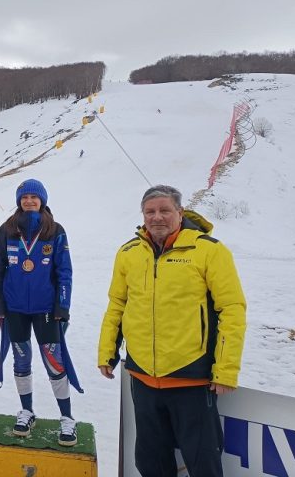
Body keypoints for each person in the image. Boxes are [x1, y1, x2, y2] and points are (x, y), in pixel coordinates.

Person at [98, 185, 246, 477]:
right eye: (150, 211)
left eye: (165, 210)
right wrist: (107, 352)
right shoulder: (128, 252)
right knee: (150, 463)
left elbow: (232, 309)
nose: (157, 217)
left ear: (180, 212)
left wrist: (226, 370)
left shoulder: (209, 250)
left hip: (190, 377)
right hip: (142, 378)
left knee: (203, 464)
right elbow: (117, 304)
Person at [0, 179, 78, 445]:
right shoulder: (7, 230)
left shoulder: (56, 231)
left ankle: (67, 417)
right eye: (24, 197)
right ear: (19, 200)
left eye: (34, 197)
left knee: (54, 362)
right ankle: (27, 411)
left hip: (46, 310)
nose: (29, 201)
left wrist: (63, 306)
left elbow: (65, 272)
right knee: (21, 361)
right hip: (14, 308)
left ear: (43, 200)